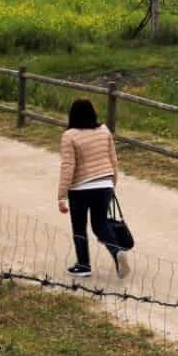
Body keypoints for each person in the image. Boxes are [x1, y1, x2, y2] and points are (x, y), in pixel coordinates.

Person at [58, 98, 131, 278]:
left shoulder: (69, 136)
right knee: (100, 225)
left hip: (80, 188)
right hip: (104, 184)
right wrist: (112, 183)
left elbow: (68, 167)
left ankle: (84, 265)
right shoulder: (104, 131)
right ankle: (116, 252)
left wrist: (61, 196)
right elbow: (113, 159)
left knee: (79, 227)